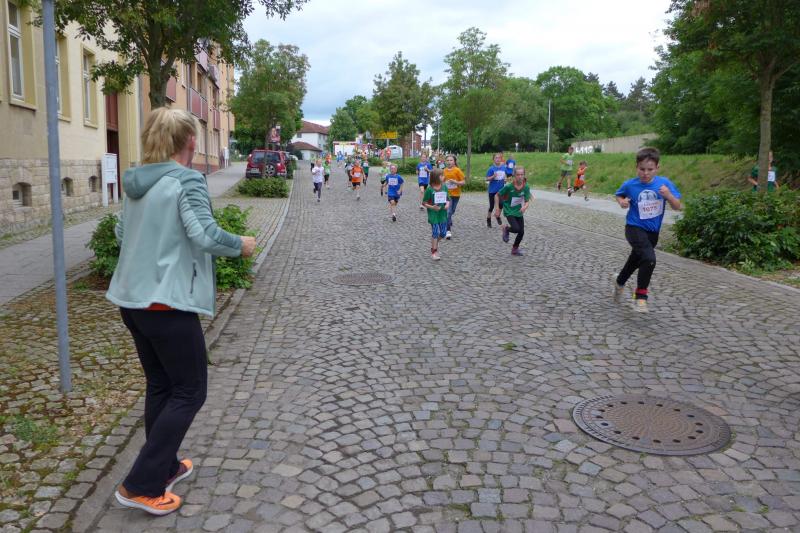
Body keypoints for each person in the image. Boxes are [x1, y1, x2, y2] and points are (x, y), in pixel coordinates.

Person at [106, 107, 256, 516]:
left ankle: (166, 466)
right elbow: (205, 234)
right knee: (190, 391)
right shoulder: (185, 180)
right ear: (190, 140)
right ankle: (141, 485)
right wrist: (240, 244)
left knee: (161, 385)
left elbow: (121, 233)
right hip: (166, 303)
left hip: (133, 302)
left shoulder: (137, 182)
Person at [613, 147, 682, 313]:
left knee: (635, 261)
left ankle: (619, 282)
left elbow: (677, 206)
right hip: (634, 227)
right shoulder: (630, 184)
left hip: (652, 232)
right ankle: (641, 296)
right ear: (636, 167)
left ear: (657, 168)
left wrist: (668, 196)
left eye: (650, 169)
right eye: (642, 169)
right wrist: (622, 202)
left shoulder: (664, 184)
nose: (645, 173)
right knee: (649, 259)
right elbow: (619, 194)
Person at [494, 165, 532, 256]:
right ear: (514, 175)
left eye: (522, 174)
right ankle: (506, 228)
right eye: (518, 175)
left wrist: (525, 207)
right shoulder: (509, 187)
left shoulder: (526, 187)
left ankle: (515, 249)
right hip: (509, 210)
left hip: (518, 211)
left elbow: (527, 201)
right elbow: (497, 195)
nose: (520, 177)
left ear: (524, 175)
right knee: (516, 228)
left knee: (521, 232)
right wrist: (497, 209)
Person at [422, 169, 450, 260]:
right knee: (435, 232)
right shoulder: (429, 189)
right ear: (435, 177)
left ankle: (434, 243)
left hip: (442, 213)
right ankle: (434, 251)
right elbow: (424, 203)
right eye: (441, 176)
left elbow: (448, 199)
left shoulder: (444, 187)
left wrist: (447, 205)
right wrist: (432, 207)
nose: (443, 177)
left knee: (443, 233)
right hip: (433, 214)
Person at [443, 155, 466, 240]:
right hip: (447, 194)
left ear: (454, 161)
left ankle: (448, 219)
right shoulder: (444, 171)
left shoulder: (457, 170)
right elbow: (442, 181)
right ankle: (448, 230)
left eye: (451, 160)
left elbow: (463, 182)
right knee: (448, 212)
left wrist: (455, 182)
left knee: (452, 211)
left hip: (456, 194)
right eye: (448, 160)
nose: (449, 162)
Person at [485, 152, 507, 227]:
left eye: (499, 158)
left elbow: (505, 176)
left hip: (501, 190)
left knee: (501, 205)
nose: (498, 159)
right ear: (493, 159)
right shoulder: (491, 168)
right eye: (496, 158)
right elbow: (487, 179)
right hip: (492, 190)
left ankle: (497, 216)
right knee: (491, 206)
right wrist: (493, 176)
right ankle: (488, 219)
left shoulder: (503, 167)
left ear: (501, 159)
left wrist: (505, 179)